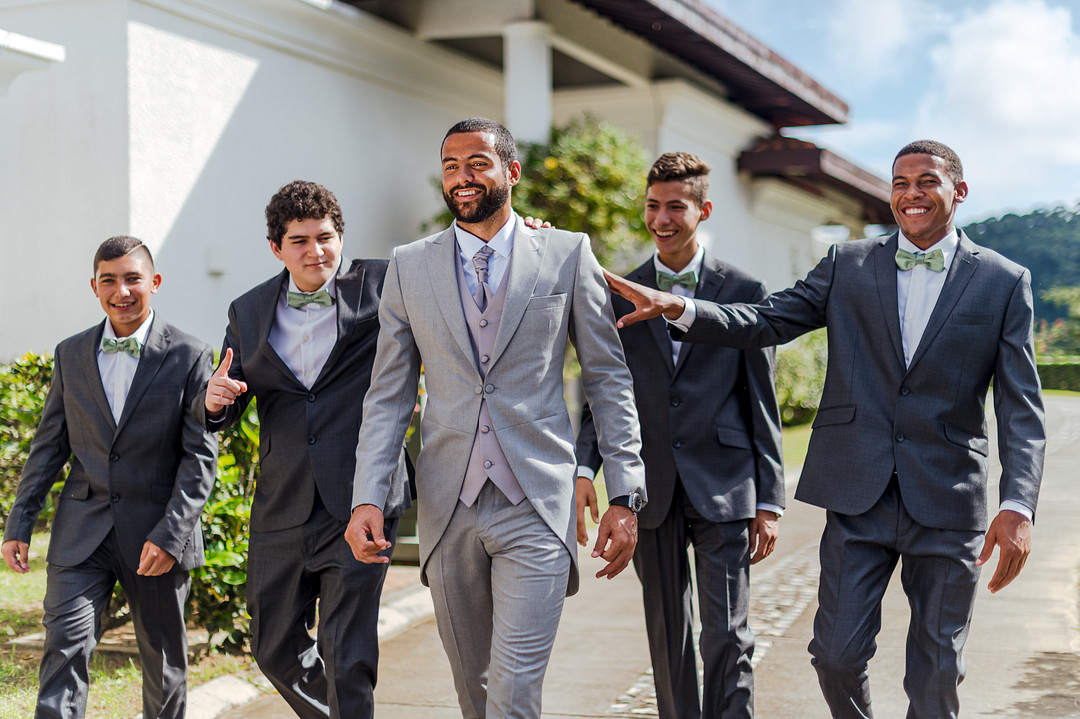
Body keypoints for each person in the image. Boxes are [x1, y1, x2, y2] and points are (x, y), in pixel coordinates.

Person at [603, 140, 1045, 719]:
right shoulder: (848, 264)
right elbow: (765, 320)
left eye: (926, 182)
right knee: (834, 657)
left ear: (957, 192)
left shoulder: (1003, 281)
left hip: (948, 498)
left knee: (937, 668)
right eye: (900, 183)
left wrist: (1018, 504)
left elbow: (1020, 404)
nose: (911, 194)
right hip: (856, 494)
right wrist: (680, 308)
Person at [345, 117, 646, 719]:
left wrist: (626, 491)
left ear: (510, 172)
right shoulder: (409, 265)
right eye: (451, 165)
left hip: (536, 500)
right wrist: (367, 497)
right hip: (447, 504)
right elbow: (388, 395)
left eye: (478, 163)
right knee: (474, 694)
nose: (463, 177)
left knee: (513, 692)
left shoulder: (566, 254)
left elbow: (608, 379)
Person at [575, 151, 784, 719]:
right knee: (668, 635)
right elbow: (602, 392)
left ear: (703, 209)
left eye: (675, 206)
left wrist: (769, 500)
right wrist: (583, 468)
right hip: (651, 489)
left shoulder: (744, 287)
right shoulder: (617, 289)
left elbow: (759, 397)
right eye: (652, 206)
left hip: (726, 485)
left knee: (728, 633)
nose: (661, 219)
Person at [194, 181, 411, 719]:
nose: (316, 251)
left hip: (363, 494)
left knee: (346, 651)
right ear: (276, 247)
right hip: (283, 501)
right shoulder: (247, 310)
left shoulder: (385, 283)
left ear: (341, 236)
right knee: (272, 647)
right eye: (300, 241)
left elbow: (461, 266)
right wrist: (216, 402)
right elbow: (231, 393)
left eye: (326, 237)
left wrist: (526, 234)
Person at [2, 236, 218, 719]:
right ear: (94, 287)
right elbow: (49, 445)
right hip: (83, 530)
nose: (121, 291)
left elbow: (200, 457)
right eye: (109, 281)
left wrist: (171, 535)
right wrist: (19, 522)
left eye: (132, 279)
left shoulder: (190, 355)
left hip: (158, 536)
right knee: (64, 648)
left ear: (154, 283)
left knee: (163, 667)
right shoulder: (71, 354)